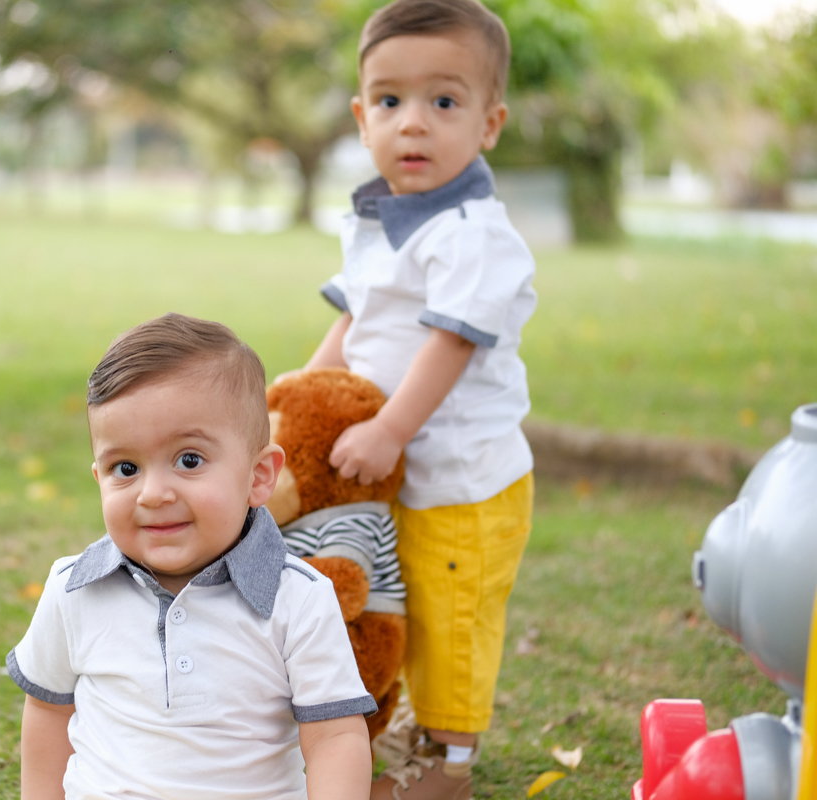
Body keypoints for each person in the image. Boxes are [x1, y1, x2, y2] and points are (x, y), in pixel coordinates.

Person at [298, 1, 538, 797]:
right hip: (403, 473)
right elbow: (352, 328)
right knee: (411, 605)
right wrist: (297, 401)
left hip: (464, 480)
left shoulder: (474, 230)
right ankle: (420, 733)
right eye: (391, 102)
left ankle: (451, 764)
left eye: (444, 102)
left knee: (453, 618)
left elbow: (452, 342)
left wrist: (391, 428)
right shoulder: (379, 219)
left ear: (489, 122)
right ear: (363, 117)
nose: (414, 125)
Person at [9, 313, 377, 800]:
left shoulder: (299, 599)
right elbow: (50, 713)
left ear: (259, 476)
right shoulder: (74, 588)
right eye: (126, 467)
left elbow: (335, 737)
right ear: (99, 478)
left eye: (189, 460)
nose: (153, 493)